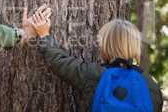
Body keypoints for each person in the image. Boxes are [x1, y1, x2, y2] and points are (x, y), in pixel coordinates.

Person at [30, 13, 163, 112]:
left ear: (105, 46)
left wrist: (44, 35)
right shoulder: (151, 85)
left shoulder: (95, 75)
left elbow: (61, 62)